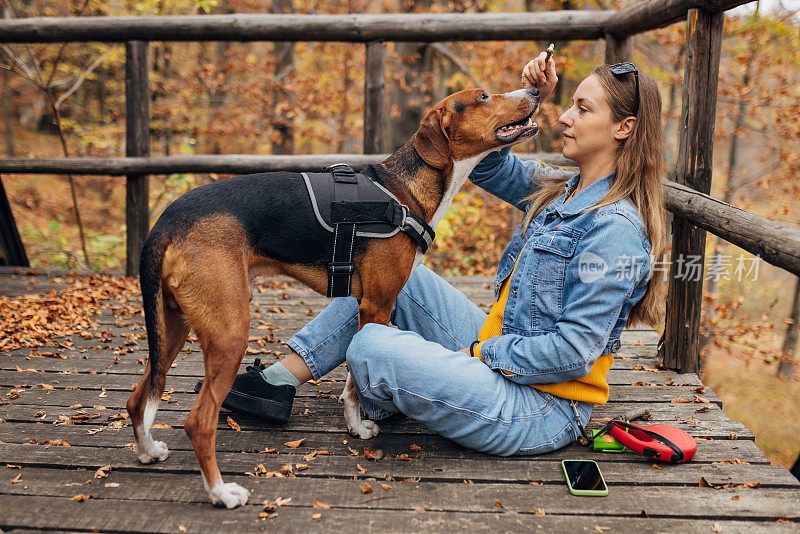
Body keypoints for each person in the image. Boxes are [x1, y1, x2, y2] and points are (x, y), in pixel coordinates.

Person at [214, 52, 666, 456]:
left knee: (373, 344)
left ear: (623, 128)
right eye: (569, 105)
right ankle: (278, 382)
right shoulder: (559, 190)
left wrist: (481, 354)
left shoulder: (614, 230)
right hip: (501, 347)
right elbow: (479, 155)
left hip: (541, 406)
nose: (566, 118)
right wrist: (533, 99)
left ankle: (391, 390)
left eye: (582, 109)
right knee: (394, 275)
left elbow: (573, 353)